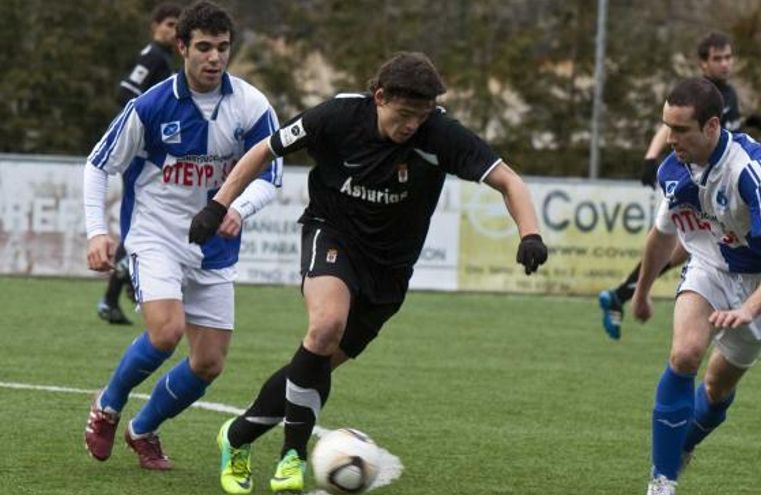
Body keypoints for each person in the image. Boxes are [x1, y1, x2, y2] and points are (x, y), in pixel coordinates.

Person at [188, 52, 549, 494]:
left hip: (390, 272)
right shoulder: (338, 117)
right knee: (324, 328)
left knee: (315, 365)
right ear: (379, 97)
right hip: (333, 233)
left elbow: (509, 181)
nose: (412, 125)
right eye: (404, 114)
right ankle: (292, 456)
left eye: (422, 115)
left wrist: (529, 234)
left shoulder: (441, 135)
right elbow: (265, 149)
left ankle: (237, 436)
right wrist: (218, 204)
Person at [83, 1, 282, 471]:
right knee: (167, 331)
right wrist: (97, 232)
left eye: (223, 48)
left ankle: (143, 429)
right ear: (182, 47)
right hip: (155, 234)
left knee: (209, 363)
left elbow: (270, 175)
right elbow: (97, 165)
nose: (215, 58)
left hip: (213, 244)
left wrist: (239, 206)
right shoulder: (151, 106)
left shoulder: (251, 106)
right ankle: (108, 405)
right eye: (205, 48)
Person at [631, 77, 761, 495]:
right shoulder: (673, 169)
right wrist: (640, 291)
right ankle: (662, 480)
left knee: (716, 388)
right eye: (666, 127)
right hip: (708, 265)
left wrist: (749, 309)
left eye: (680, 130)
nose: (670, 139)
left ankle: (682, 445)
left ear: (711, 127)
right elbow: (661, 237)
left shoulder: (751, 170)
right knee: (686, 353)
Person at [598, 31, 761, 340]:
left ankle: (622, 294)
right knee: (682, 248)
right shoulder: (697, 94)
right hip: (690, 182)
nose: (725, 64)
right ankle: (625, 294)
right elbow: (668, 127)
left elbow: (723, 139)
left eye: (728, 57)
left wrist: (748, 124)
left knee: (685, 250)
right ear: (703, 64)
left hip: (718, 181)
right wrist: (651, 158)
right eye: (717, 58)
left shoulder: (727, 95)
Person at [97, 2, 181, 325]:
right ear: (155, 26)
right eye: (169, 24)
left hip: (150, 154)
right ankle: (125, 289)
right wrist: (145, 124)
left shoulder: (163, 58)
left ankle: (120, 293)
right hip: (141, 154)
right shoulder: (153, 57)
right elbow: (126, 91)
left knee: (143, 222)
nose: (173, 32)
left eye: (177, 26)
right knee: (139, 224)